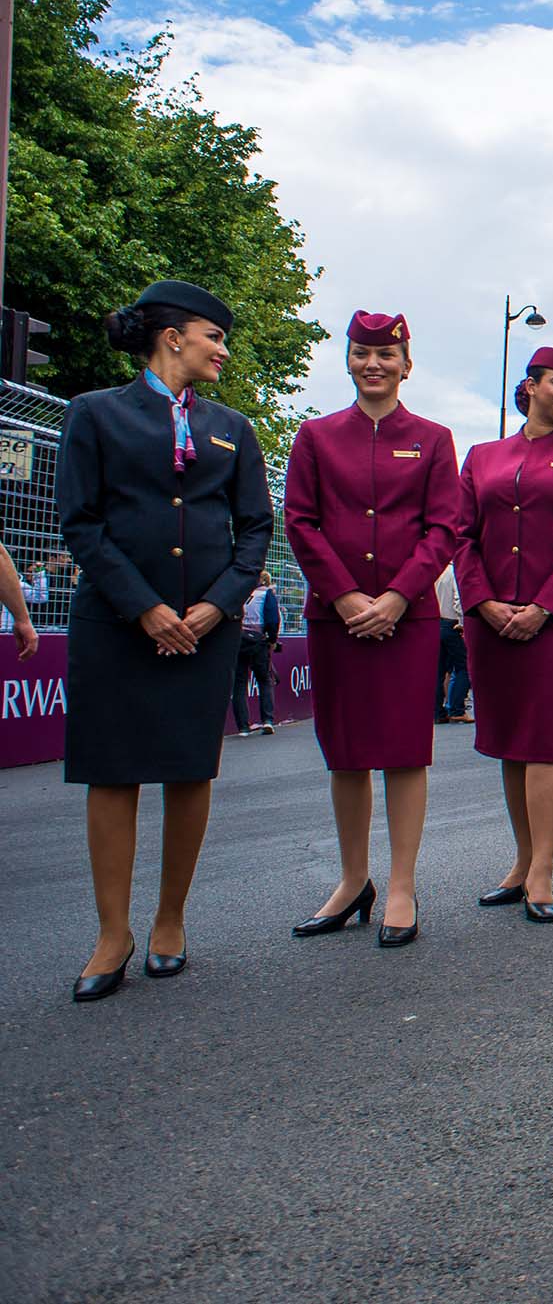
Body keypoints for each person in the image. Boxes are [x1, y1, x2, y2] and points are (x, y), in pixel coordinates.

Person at [57, 279, 272, 1001]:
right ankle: (111, 932)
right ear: (173, 335)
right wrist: (144, 606)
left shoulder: (233, 428)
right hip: (116, 624)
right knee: (112, 772)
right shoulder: (95, 414)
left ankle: (169, 920)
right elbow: (81, 522)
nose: (223, 348)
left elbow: (255, 531)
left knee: (188, 769)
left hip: (205, 631)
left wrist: (217, 607)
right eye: (214, 335)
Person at [280, 311, 462, 947]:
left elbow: (443, 527)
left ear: (407, 364)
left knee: (406, 752)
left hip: (406, 620)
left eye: (387, 354)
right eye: (362, 353)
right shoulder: (316, 436)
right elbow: (300, 522)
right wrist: (350, 596)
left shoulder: (434, 439)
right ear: (348, 361)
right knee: (348, 752)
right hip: (338, 618)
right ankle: (353, 880)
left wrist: (395, 597)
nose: (374, 364)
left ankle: (403, 885)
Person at [457, 345, 553, 925]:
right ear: (529, 386)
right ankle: (521, 861)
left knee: (547, 739)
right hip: (492, 618)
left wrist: (543, 607)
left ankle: (543, 868)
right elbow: (462, 535)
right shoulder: (482, 456)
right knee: (509, 738)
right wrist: (483, 601)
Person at [230, 572, 281, 736]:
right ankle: (267, 720)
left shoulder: (238, 592)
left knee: (239, 683)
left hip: (238, 639)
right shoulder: (266, 593)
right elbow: (273, 620)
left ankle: (243, 727)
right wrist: (272, 640)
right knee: (264, 680)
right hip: (258, 641)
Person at [435, 565, 471, 723]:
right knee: (463, 666)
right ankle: (457, 708)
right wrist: (463, 622)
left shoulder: (438, 572)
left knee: (439, 670)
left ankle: (437, 712)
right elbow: (458, 600)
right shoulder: (453, 571)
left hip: (437, 621)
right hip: (452, 623)